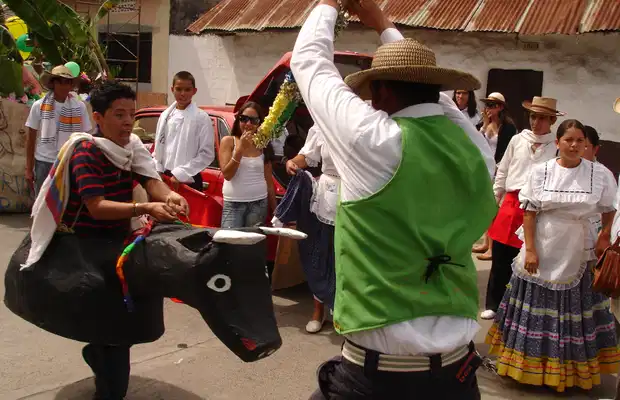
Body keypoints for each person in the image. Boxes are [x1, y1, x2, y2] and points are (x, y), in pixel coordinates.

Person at [291, 0, 497, 397]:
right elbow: (441, 107)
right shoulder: (474, 148)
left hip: (380, 377)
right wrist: (383, 23)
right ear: (433, 88)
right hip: (456, 374)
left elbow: (309, 63)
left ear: (381, 91)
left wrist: (331, 3)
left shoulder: (375, 140)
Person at [20, 81, 190, 400]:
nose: (127, 122)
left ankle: (102, 362)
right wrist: (145, 208)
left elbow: (151, 181)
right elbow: (97, 207)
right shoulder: (85, 151)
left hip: (119, 239)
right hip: (88, 244)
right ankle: (104, 372)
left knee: (125, 323)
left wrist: (169, 196)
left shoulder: (132, 146)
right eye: (119, 114)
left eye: (131, 114)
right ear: (98, 118)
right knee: (111, 329)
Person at [486, 119, 619, 393]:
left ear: (586, 145)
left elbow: (608, 209)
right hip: (544, 243)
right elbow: (529, 213)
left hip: (579, 247)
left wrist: (604, 235)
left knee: (575, 310)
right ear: (557, 143)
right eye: (568, 140)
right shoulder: (541, 172)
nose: (574, 145)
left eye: (580, 140)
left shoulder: (599, 174)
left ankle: (569, 373)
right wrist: (531, 250)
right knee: (536, 303)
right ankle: (528, 370)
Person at [481, 96, 563, 320]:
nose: (536, 122)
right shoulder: (518, 140)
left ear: (552, 120)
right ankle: (494, 304)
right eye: (533, 117)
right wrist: (494, 199)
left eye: (542, 118)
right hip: (511, 203)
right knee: (500, 257)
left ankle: (518, 308)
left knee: (527, 260)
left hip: (538, 209)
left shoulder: (556, 146)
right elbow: (503, 171)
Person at [281, 125, 337, 333]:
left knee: (346, 259)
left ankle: (344, 312)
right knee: (318, 255)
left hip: (358, 198)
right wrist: (292, 162)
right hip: (326, 198)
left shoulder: (367, 120)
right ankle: (318, 311)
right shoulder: (323, 124)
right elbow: (307, 155)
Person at [25, 65, 92, 196]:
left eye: (67, 82)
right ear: (53, 83)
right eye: (60, 81)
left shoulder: (79, 107)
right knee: (42, 201)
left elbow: (85, 137)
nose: (64, 86)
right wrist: (28, 169)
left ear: (71, 85)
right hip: (44, 161)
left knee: (67, 201)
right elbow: (31, 138)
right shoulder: (39, 106)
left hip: (69, 161)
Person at [472, 92, 518, 261]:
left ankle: (492, 247)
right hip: (484, 170)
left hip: (498, 170)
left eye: (492, 105)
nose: (488, 109)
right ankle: (486, 241)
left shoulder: (508, 127)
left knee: (494, 208)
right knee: (485, 207)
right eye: (487, 105)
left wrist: (500, 169)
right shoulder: (483, 124)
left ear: (500, 107)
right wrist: (485, 124)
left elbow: (507, 151)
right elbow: (476, 143)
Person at [219, 101, 277, 228]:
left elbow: (268, 181)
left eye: (254, 120)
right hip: (234, 204)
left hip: (259, 203)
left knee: (253, 240)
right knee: (230, 240)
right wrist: (240, 149)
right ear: (238, 120)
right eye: (244, 119)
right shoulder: (229, 141)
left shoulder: (262, 144)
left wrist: (275, 210)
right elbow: (227, 175)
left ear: (259, 123)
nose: (248, 124)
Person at [154, 71, 215, 191]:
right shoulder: (165, 116)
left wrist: (181, 173)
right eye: (178, 89)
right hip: (165, 176)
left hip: (188, 178)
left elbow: (207, 154)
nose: (183, 94)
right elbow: (158, 147)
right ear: (172, 89)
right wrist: (158, 169)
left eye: (187, 90)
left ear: (194, 91)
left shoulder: (201, 118)